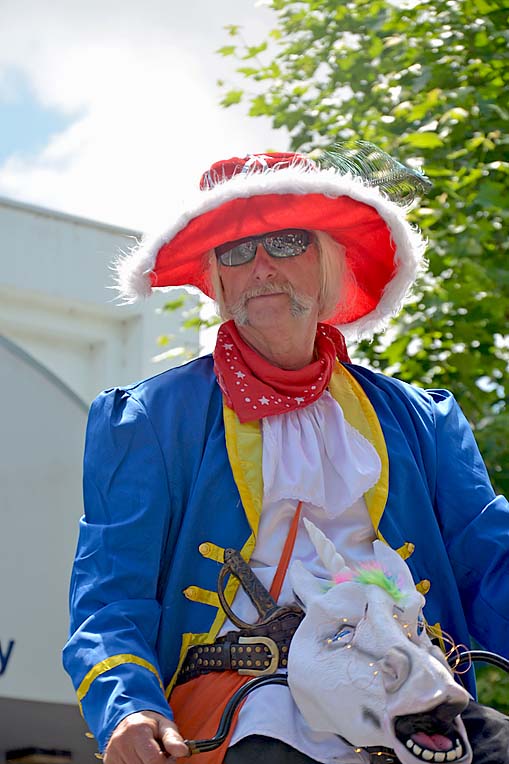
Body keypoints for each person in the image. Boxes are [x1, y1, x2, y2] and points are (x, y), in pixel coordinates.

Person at [63, 147, 509, 764]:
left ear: (328, 263)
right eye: (237, 252)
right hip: (245, 701)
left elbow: (490, 563)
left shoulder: (423, 420)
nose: (261, 266)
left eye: (287, 242)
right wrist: (128, 704)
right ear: (217, 279)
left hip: (413, 694)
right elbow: (111, 593)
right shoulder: (148, 418)